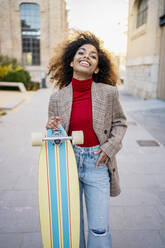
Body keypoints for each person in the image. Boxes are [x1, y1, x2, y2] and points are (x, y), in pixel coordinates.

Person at [46, 30, 127, 248]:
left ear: (97, 67)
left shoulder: (109, 93)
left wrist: (109, 148)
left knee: (99, 229)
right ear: (71, 61)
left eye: (93, 56)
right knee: (72, 227)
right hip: (68, 164)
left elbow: (120, 123)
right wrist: (52, 130)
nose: (87, 56)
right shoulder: (57, 98)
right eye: (81, 52)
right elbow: (56, 139)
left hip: (97, 163)